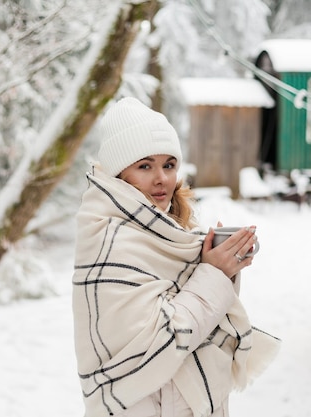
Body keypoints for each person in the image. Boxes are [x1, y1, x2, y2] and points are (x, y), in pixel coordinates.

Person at [72, 97, 280, 417]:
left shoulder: (169, 233)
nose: (162, 178)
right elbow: (161, 342)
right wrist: (211, 275)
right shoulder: (110, 243)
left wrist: (215, 267)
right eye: (145, 165)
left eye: (169, 165)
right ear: (118, 173)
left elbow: (196, 318)